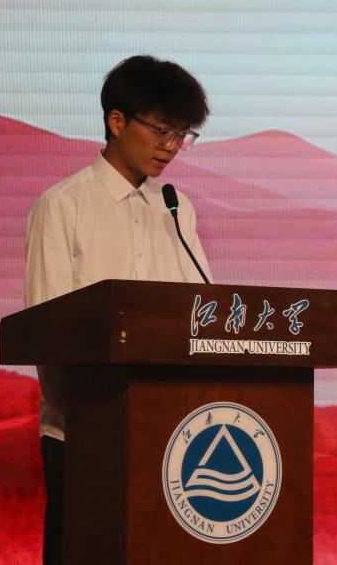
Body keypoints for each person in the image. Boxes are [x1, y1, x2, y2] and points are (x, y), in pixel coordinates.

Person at [23, 55, 213, 565]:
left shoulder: (177, 208)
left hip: (171, 442)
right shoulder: (63, 206)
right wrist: (96, 419)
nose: (171, 147)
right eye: (162, 131)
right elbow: (47, 333)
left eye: (182, 135)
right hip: (84, 437)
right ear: (117, 121)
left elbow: (202, 315)